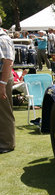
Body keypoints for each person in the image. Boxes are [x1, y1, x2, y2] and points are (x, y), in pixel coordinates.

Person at [0, 16, 16, 154]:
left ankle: (6, 144)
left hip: (2, 77)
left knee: (4, 112)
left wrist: (2, 84)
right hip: (2, 77)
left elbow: (8, 62)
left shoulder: (2, 38)